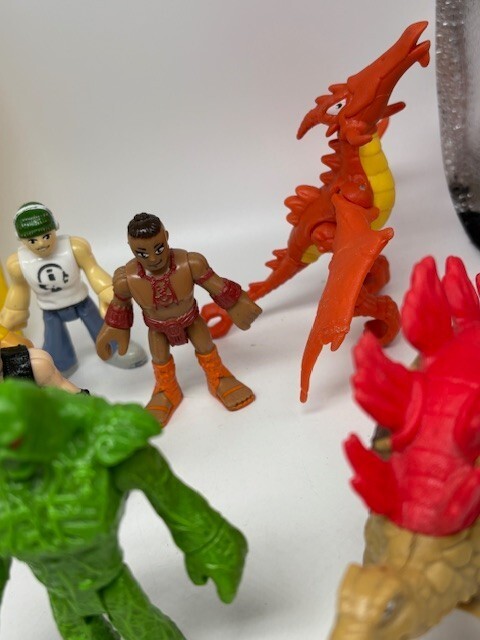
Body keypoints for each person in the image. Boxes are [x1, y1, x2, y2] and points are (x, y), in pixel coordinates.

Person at [96, 212, 262, 425]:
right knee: (160, 358)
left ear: (166, 237)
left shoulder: (191, 263)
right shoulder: (126, 279)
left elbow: (217, 286)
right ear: (130, 248)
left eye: (158, 249)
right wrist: (114, 328)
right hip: (157, 329)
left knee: (206, 347)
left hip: (191, 320)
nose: (153, 259)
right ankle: (167, 390)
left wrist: (237, 303)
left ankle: (219, 378)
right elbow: (120, 306)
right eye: (142, 253)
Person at [0, 202, 147, 374]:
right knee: (54, 342)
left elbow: (93, 270)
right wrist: (14, 311)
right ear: (22, 240)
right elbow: (19, 289)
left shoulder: (75, 247)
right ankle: (59, 363)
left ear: (55, 229)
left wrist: (108, 290)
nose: (40, 243)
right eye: (32, 240)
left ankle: (113, 348)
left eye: (46, 236)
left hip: (81, 301)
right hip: (51, 309)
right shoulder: (18, 263)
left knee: (102, 327)